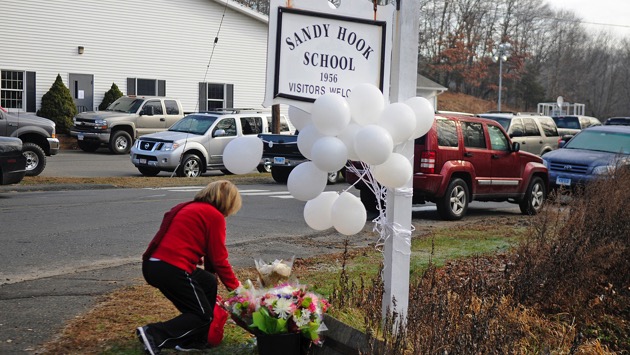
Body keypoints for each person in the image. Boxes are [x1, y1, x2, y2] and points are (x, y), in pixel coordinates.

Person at [136, 180, 242, 354]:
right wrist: (236, 289)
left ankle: (195, 341)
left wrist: (195, 257)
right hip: (172, 268)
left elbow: (180, 235)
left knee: (207, 281)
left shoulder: (185, 206)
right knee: (203, 315)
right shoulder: (214, 216)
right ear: (228, 202)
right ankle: (153, 334)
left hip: (152, 265)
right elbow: (219, 259)